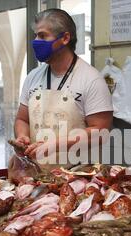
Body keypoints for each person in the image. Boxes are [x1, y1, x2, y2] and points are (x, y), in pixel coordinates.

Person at [11, 9, 113, 170]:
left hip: (78, 175)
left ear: (65, 38)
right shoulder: (33, 77)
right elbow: (22, 119)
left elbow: (100, 131)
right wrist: (22, 135)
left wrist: (56, 144)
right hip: (36, 174)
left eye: (43, 36)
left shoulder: (91, 79)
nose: (36, 41)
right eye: (36, 36)